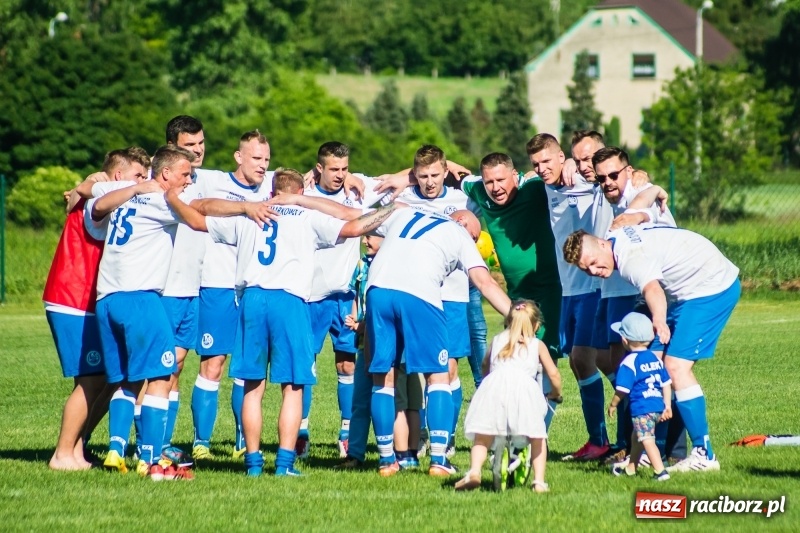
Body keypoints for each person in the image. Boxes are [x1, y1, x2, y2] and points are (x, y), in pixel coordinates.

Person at [166, 168, 401, 477]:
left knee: (252, 385)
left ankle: (252, 464)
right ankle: (284, 464)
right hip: (289, 301)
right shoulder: (306, 215)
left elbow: (197, 215)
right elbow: (356, 227)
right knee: (293, 386)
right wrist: (391, 210)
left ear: (271, 191)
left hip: (251, 299)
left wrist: (176, 197)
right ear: (299, 192)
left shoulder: (253, 213)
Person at [563, 222, 741, 473]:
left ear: (602, 244)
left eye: (593, 262)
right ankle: (648, 450)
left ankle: (704, 454)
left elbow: (652, 289)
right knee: (650, 365)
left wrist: (658, 321)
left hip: (711, 288)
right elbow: (639, 211)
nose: (594, 271)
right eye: (586, 269)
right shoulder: (616, 235)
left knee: (675, 367)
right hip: (683, 294)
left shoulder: (629, 260)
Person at [364, 207, 511, 477]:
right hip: (419, 295)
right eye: (476, 236)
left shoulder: (405, 213)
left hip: (377, 290)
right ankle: (439, 460)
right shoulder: (459, 233)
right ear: (464, 222)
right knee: (439, 377)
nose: (474, 241)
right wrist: (517, 317)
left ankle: (386, 462)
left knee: (382, 379)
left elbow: (353, 220)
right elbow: (485, 282)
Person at [92, 145, 201, 480]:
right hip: (140, 297)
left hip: (107, 298)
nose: (189, 180)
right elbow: (198, 216)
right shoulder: (162, 200)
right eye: (185, 174)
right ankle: (153, 461)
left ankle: (114, 450)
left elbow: (95, 200)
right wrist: (244, 209)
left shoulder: (123, 194)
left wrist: (133, 186)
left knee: (127, 378)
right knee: (161, 376)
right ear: (165, 173)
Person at [43, 147, 149, 471]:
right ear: (118, 177)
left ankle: (77, 448)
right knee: (90, 380)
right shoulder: (97, 204)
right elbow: (95, 198)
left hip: (84, 300)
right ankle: (63, 454)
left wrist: (85, 182)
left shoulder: (101, 193)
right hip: (73, 298)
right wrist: (88, 184)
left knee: (106, 377)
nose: (143, 183)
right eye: (138, 176)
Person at [391, 144, 484, 458]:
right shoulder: (404, 200)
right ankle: (416, 434)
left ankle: (446, 433)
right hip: (415, 294)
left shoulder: (464, 199)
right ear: (414, 175)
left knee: (450, 368)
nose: (429, 182)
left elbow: (483, 181)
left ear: (446, 172)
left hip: (453, 295)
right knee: (415, 370)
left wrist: (459, 168)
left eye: (435, 174)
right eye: (422, 175)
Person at [299, 141, 389, 459]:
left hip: (346, 295)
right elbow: (274, 182)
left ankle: (347, 433)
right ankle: (301, 433)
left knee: (347, 363)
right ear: (319, 167)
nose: (340, 175)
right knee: (304, 366)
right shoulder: (303, 193)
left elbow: (400, 180)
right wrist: (307, 174)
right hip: (309, 294)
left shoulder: (358, 189)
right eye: (333, 168)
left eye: (344, 168)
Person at [191, 130, 274, 461]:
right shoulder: (214, 181)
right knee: (213, 364)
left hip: (253, 289)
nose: (262, 165)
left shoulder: (272, 184)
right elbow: (199, 203)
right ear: (239, 157)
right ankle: (201, 442)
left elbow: (313, 179)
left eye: (266, 159)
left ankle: (243, 440)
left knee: (249, 366)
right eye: (256, 158)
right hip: (218, 285)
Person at [527, 133, 609, 461]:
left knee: (584, 358)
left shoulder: (594, 181)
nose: (542, 168)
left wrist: (580, 164)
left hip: (594, 287)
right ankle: (604, 441)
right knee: (587, 362)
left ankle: (619, 437)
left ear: (561, 157)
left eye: (548, 161)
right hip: (569, 291)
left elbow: (631, 174)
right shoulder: (544, 184)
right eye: (536, 164)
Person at [455, 300, 562, 493]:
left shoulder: (497, 340)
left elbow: (486, 365)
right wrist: (556, 393)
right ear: (536, 326)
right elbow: (553, 374)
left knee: (483, 435)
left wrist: (489, 382)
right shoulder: (537, 345)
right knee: (537, 437)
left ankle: (475, 471)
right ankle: (538, 481)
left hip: (495, 385)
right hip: (524, 390)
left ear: (507, 321)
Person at [336, 234, 384, 469]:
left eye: (371, 235)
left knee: (388, 396)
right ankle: (355, 454)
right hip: (364, 341)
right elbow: (357, 294)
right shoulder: (362, 264)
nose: (365, 240)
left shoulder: (391, 263)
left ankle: (395, 454)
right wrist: (355, 317)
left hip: (384, 340)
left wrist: (363, 324)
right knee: (360, 400)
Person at [607, 312, 672, 481]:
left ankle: (660, 471)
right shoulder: (655, 358)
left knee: (647, 439)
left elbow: (622, 389)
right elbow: (666, 383)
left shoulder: (629, 362)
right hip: (657, 406)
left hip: (642, 409)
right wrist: (667, 405)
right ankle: (630, 468)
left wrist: (613, 404)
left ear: (625, 340)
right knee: (637, 436)